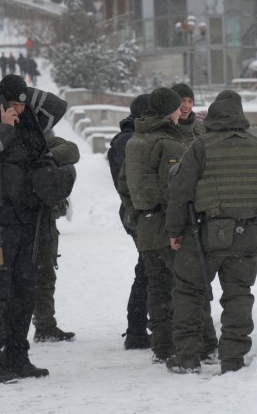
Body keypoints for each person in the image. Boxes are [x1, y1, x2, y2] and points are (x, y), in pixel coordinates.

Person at [165, 89, 257, 375]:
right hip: (248, 233)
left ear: (214, 116)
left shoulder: (200, 147)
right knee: (238, 295)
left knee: (189, 292)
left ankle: (188, 356)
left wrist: (174, 230)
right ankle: (232, 359)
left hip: (204, 232)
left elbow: (180, 192)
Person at [0, 74, 72, 383]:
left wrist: (21, 94)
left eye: (22, 105)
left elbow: (57, 106)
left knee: (24, 290)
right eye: (13, 104)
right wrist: (5, 127)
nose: (19, 110)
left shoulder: (30, 117)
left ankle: (18, 356)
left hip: (30, 218)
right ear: (0, 101)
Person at [117, 88, 218, 364]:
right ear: (168, 110)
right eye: (178, 106)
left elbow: (124, 184)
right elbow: (175, 190)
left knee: (157, 287)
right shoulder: (167, 142)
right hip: (168, 224)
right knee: (190, 286)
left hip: (146, 224)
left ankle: (163, 346)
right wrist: (179, 225)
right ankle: (204, 344)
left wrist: (137, 213)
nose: (182, 110)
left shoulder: (136, 139)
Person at [108, 94, 151, 350]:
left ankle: (140, 327)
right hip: (138, 214)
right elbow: (131, 183)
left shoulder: (129, 138)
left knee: (148, 268)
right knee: (147, 269)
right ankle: (136, 329)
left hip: (137, 212)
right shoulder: (128, 141)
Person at [32, 132, 80, 343]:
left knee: (45, 275)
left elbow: (72, 150)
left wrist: (47, 158)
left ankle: (45, 325)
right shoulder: (4, 138)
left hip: (43, 219)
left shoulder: (41, 138)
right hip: (18, 219)